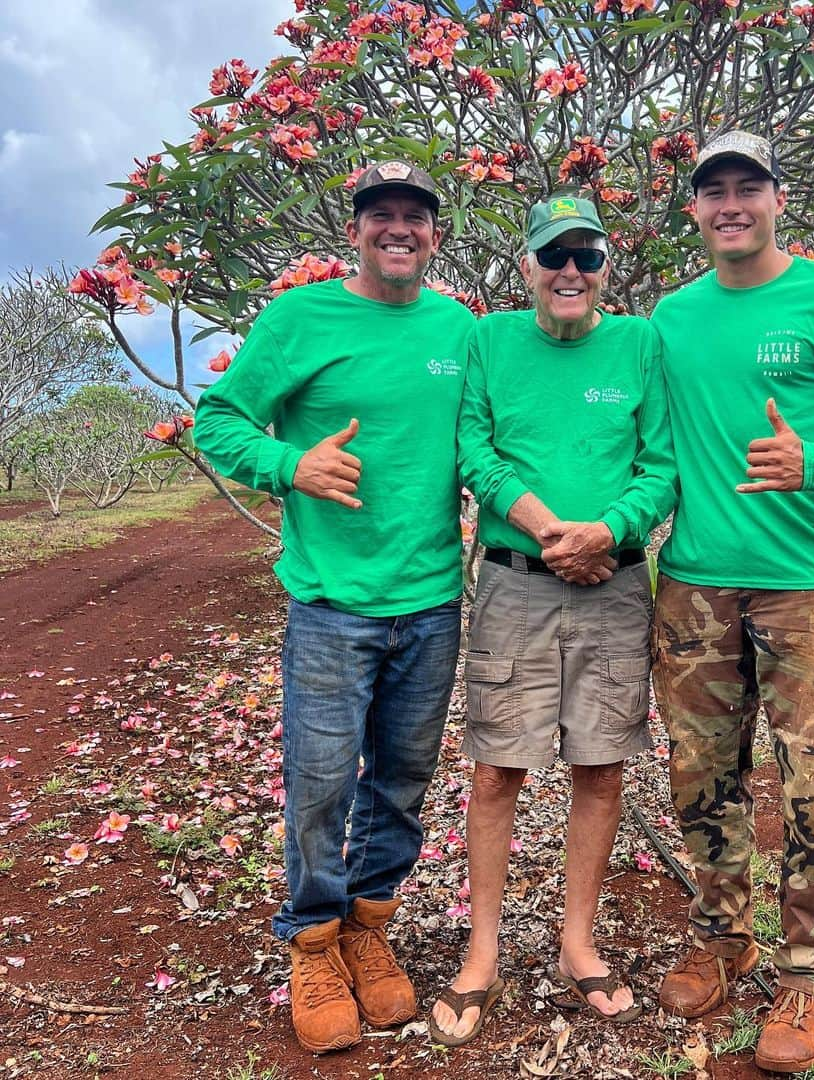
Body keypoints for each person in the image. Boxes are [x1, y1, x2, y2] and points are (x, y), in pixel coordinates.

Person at [649, 130, 814, 1073]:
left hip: (810, 589)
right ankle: (722, 937)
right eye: (712, 190)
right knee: (702, 778)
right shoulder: (671, 318)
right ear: (693, 209)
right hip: (693, 587)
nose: (731, 204)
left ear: (777, 198)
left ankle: (812, 971)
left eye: (747, 188)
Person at [194, 160, 475, 1054]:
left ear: (435, 234)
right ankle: (313, 942)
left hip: (431, 601)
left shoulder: (457, 328)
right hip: (330, 604)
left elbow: (495, 437)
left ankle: (369, 926)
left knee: (400, 782)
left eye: (415, 217)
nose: (399, 229)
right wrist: (291, 466)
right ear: (354, 230)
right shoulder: (299, 318)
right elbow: (220, 419)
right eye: (380, 214)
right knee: (319, 785)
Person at [428, 194, 677, 1046]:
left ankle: (578, 942)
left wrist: (607, 531)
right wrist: (546, 529)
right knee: (499, 769)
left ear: (606, 267)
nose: (570, 270)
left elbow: (661, 464)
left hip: (612, 582)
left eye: (587, 255)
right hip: (515, 582)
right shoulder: (488, 339)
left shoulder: (640, 344)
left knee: (600, 766)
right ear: (527, 265)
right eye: (554, 254)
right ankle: (482, 951)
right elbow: (474, 448)